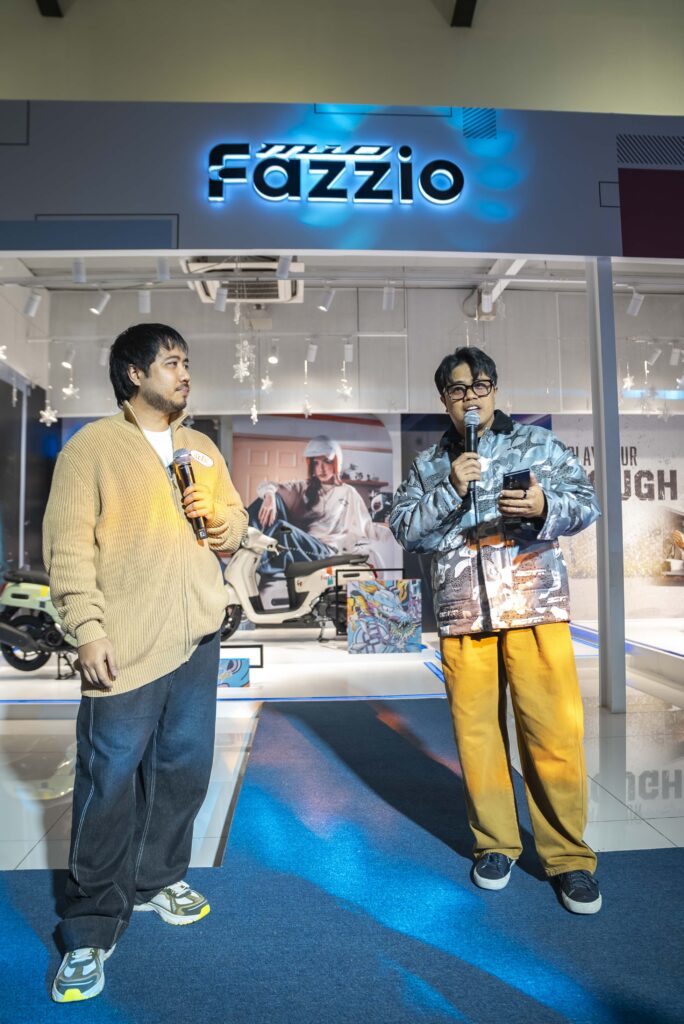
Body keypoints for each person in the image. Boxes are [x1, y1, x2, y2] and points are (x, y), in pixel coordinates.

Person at [43, 323, 247, 1002]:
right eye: (171, 363)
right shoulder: (91, 449)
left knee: (183, 771)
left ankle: (157, 879)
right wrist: (87, 629)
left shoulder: (201, 448)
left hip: (196, 640)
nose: (185, 374)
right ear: (134, 374)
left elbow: (235, 524)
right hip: (125, 645)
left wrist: (219, 519)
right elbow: (68, 547)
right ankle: (90, 925)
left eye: (187, 362)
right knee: (108, 784)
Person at [390, 346, 603, 914]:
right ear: (444, 400)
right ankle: (496, 844)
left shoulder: (538, 444)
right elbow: (405, 529)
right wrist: (450, 488)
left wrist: (542, 503)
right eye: (458, 389)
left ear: (494, 390)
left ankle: (569, 857)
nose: (471, 397)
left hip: (535, 608)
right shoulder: (430, 464)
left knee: (553, 736)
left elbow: (587, 503)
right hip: (464, 616)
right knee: (478, 737)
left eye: (480, 386)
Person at [250, 435, 391, 576]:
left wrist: (394, 531)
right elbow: (267, 485)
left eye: (326, 462)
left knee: (283, 530)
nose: (320, 469)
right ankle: (245, 544)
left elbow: (366, 526)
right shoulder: (304, 487)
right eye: (316, 463)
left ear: (336, 462)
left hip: (325, 550)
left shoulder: (348, 492)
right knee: (268, 499)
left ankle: (251, 566)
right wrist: (269, 496)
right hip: (303, 545)